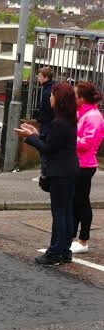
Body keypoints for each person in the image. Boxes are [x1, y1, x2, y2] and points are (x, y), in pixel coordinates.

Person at [15, 82, 79, 265]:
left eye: (52, 95)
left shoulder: (60, 123)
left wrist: (30, 138)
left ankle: (54, 252)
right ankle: (65, 250)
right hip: (70, 169)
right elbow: (54, 143)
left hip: (60, 172)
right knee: (67, 212)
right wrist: (36, 133)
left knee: (59, 213)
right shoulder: (68, 120)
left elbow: (49, 149)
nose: (50, 97)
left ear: (58, 100)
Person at [71, 82, 104, 254]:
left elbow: (87, 143)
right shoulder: (83, 113)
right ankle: (73, 236)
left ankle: (83, 240)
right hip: (78, 163)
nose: (73, 98)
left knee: (82, 202)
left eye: (75, 95)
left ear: (82, 98)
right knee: (76, 201)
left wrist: (70, 139)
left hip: (85, 164)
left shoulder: (93, 116)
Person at [33, 66, 56, 181]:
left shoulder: (48, 91)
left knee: (44, 149)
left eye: (40, 76)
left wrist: (40, 118)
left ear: (46, 77)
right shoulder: (50, 88)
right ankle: (45, 173)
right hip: (48, 124)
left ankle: (44, 175)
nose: (38, 78)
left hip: (47, 125)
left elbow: (47, 110)